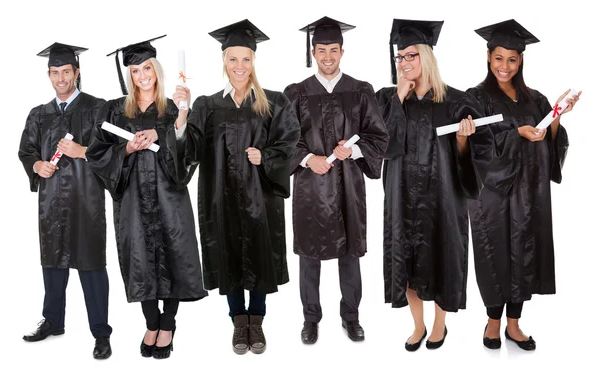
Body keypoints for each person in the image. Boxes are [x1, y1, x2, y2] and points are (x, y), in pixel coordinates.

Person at [170, 19, 300, 355]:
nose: (239, 66)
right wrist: (181, 117)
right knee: (227, 253)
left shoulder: (273, 102)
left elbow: (289, 143)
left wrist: (266, 156)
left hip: (262, 195)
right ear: (224, 62)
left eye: (245, 59)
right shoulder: (207, 105)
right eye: (232, 59)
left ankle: (256, 322)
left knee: (259, 252)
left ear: (253, 61)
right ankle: (238, 324)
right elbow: (190, 149)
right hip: (220, 196)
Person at [86, 35, 208, 360]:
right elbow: (97, 153)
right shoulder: (115, 111)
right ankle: (151, 322)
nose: (143, 75)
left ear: (157, 68)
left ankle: (168, 324)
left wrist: (173, 126)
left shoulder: (171, 108)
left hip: (169, 198)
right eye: (136, 70)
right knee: (139, 259)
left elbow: (191, 151)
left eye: (147, 67)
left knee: (174, 257)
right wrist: (126, 148)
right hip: (132, 201)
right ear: (129, 75)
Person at [376, 19, 493, 351]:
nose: (405, 63)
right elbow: (382, 146)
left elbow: (480, 153)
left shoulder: (457, 102)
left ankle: (440, 325)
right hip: (401, 197)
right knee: (407, 261)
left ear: (426, 56)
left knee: (441, 258)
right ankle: (417, 325)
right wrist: (399, 99)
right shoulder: (387, 99)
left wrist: (462, 141)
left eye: (411, 56)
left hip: (443, 198)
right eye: (400, 57)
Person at [467, 19, 580, 351]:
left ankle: (514, 324)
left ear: (521, 61)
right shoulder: (476, 98)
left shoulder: (535, 98)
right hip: (493, 194)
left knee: (524, 255)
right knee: (495, 254)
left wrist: (558, 114)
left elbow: (550, 139)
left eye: (512, 59)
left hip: (530, 192)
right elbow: (477, 146)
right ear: (489, 58)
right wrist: (515, 134)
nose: (505, 66)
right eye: (499, 58)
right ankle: (492, 322)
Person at [284, 16, 389, 345]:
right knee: (309, 257)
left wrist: (356, 151)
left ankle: (351, 317)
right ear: (312, 52)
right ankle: (311, 319)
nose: (327, 56)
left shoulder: (360, 91)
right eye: (321, 50)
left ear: (342, 51)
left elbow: (378, 137)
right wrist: (307, 158)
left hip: (348, 186)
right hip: (310, 188)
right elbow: (283, 140)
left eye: (333, 50)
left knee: (349, 254)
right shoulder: (296, 93)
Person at [18, 42, 112, 359]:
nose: (61, 78)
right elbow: (26, 150)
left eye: (66, 72)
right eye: (55, 72)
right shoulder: (39, 114)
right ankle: (53, 322)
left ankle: (101, 333)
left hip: (87, 201)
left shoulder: (97, 108)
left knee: (91, 266)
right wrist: (36, 165)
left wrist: (82, 151)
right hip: (51, 202)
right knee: (53, 262)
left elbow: (110, 150)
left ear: (77, 72)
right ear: (49, 75)